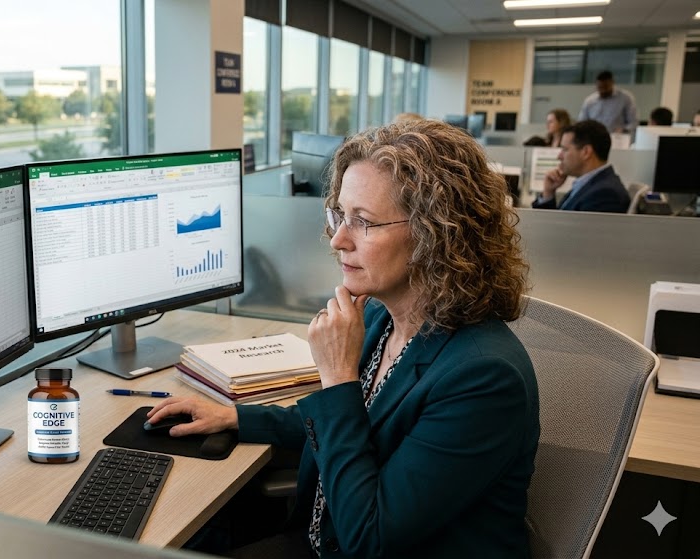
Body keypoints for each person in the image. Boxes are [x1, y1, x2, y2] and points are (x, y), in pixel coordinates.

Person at [149, 119, 540, 558]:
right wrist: (237, 418)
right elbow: (361, 419)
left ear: (438, 233)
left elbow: (369, 538)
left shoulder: (484, 378)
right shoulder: (381, 315)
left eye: (364, 222)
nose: (337, 239)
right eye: (339, 214)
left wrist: (336, 375)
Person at [531, 119, 631, 213]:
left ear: (586, 152)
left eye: (565, 149)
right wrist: (548, 193)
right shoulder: (590, 184)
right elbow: (557, 222)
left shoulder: (605, 194)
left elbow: (559, 230)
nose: (559, 156)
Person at [578, 70, 638, 137]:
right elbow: (582, 123)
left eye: (605, 87)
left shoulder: (625, 98)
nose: (603, 90)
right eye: (600, 87)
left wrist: (624, 129)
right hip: (595, 139)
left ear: (612, 83)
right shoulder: (589, 101)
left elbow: (634, 122)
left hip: (617, 138)